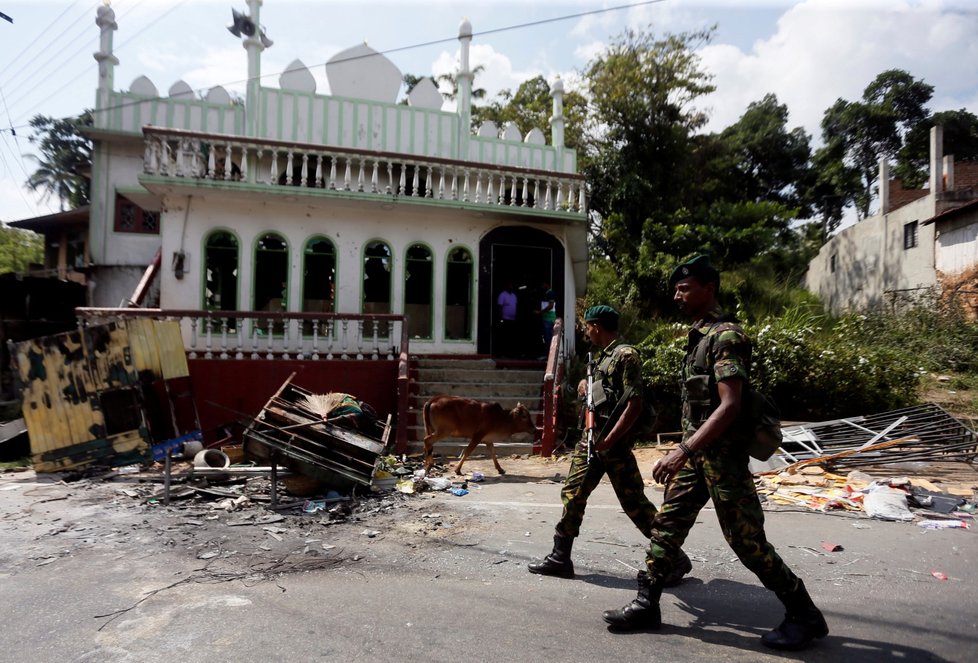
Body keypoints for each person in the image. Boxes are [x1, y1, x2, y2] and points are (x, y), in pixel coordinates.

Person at [601, 256, 828, 651]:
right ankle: (646, 602)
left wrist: (681, 450)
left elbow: (730, 405)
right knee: (666, 527)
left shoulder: (726, 336)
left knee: (746, 541)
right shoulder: (699, 337)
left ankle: (804, 614)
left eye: (684, 288)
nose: (677, 296)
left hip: (721, 458)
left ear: (709, 288)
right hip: (697, 456)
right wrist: (685, 452)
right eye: (675, 289)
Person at [528, 305, 692, 586]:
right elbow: (601, 395)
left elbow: (634, 403)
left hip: (611, 444)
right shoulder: (601, 359)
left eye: (588, 326)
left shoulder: (626, 355)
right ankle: (560, 556)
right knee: (573, 494)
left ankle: (673, 557)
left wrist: (611, 440)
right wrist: (583, 385)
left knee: (635, 504)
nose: (586, 331)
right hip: (592, 441)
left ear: (597, 326)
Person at [496, 281, 518, 357]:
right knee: (504, 337)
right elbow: (499, 307)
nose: (511, 287)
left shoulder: (514, 296)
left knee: (511, 337)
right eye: (510, 285)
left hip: (513, 319)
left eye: (512, 285)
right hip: (505, 319)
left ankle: (510, 353)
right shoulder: (502, 295)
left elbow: (515, 306)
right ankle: (503, 353)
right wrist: (500, 319)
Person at [539, 280, 557, 356]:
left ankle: (548, 355)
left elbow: (551, 305)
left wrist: (540, 312)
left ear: (546, 284)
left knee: (548, 338)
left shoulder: (550, 293)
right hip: (546, 318)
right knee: (546, 337)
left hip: (549, 318)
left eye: (542, 285)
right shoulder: (546, 293)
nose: (541, 287)